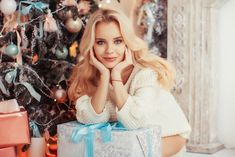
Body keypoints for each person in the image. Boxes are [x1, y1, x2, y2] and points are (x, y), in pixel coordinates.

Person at [68, 6, 191, 157]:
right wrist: (104, 77)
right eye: (100, 42)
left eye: (118, 41)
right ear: (91, 45)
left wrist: (116, 78)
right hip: (131, 140)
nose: (109, 50)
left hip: (169, 135)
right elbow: (90, 120)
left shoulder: (144, 74)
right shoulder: (87, 75)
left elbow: (135, 122)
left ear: (127, 42)